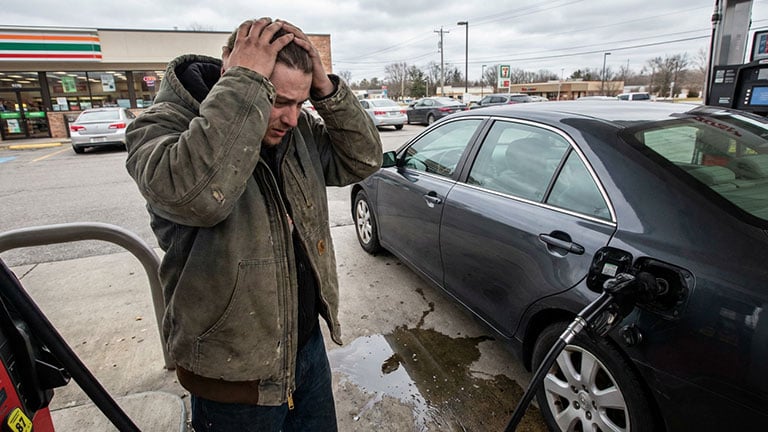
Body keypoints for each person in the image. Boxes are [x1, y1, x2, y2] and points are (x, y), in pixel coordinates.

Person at [124, 18, 382, 431]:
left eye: (300, 104)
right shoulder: (161, 126)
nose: (291, 119)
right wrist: (246, 85)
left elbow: (364, 159)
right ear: (235, 72)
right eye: (278, 100)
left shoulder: (296, 133)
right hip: (232, 380)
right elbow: (199, 196)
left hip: (305, 353)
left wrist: (326, 91)